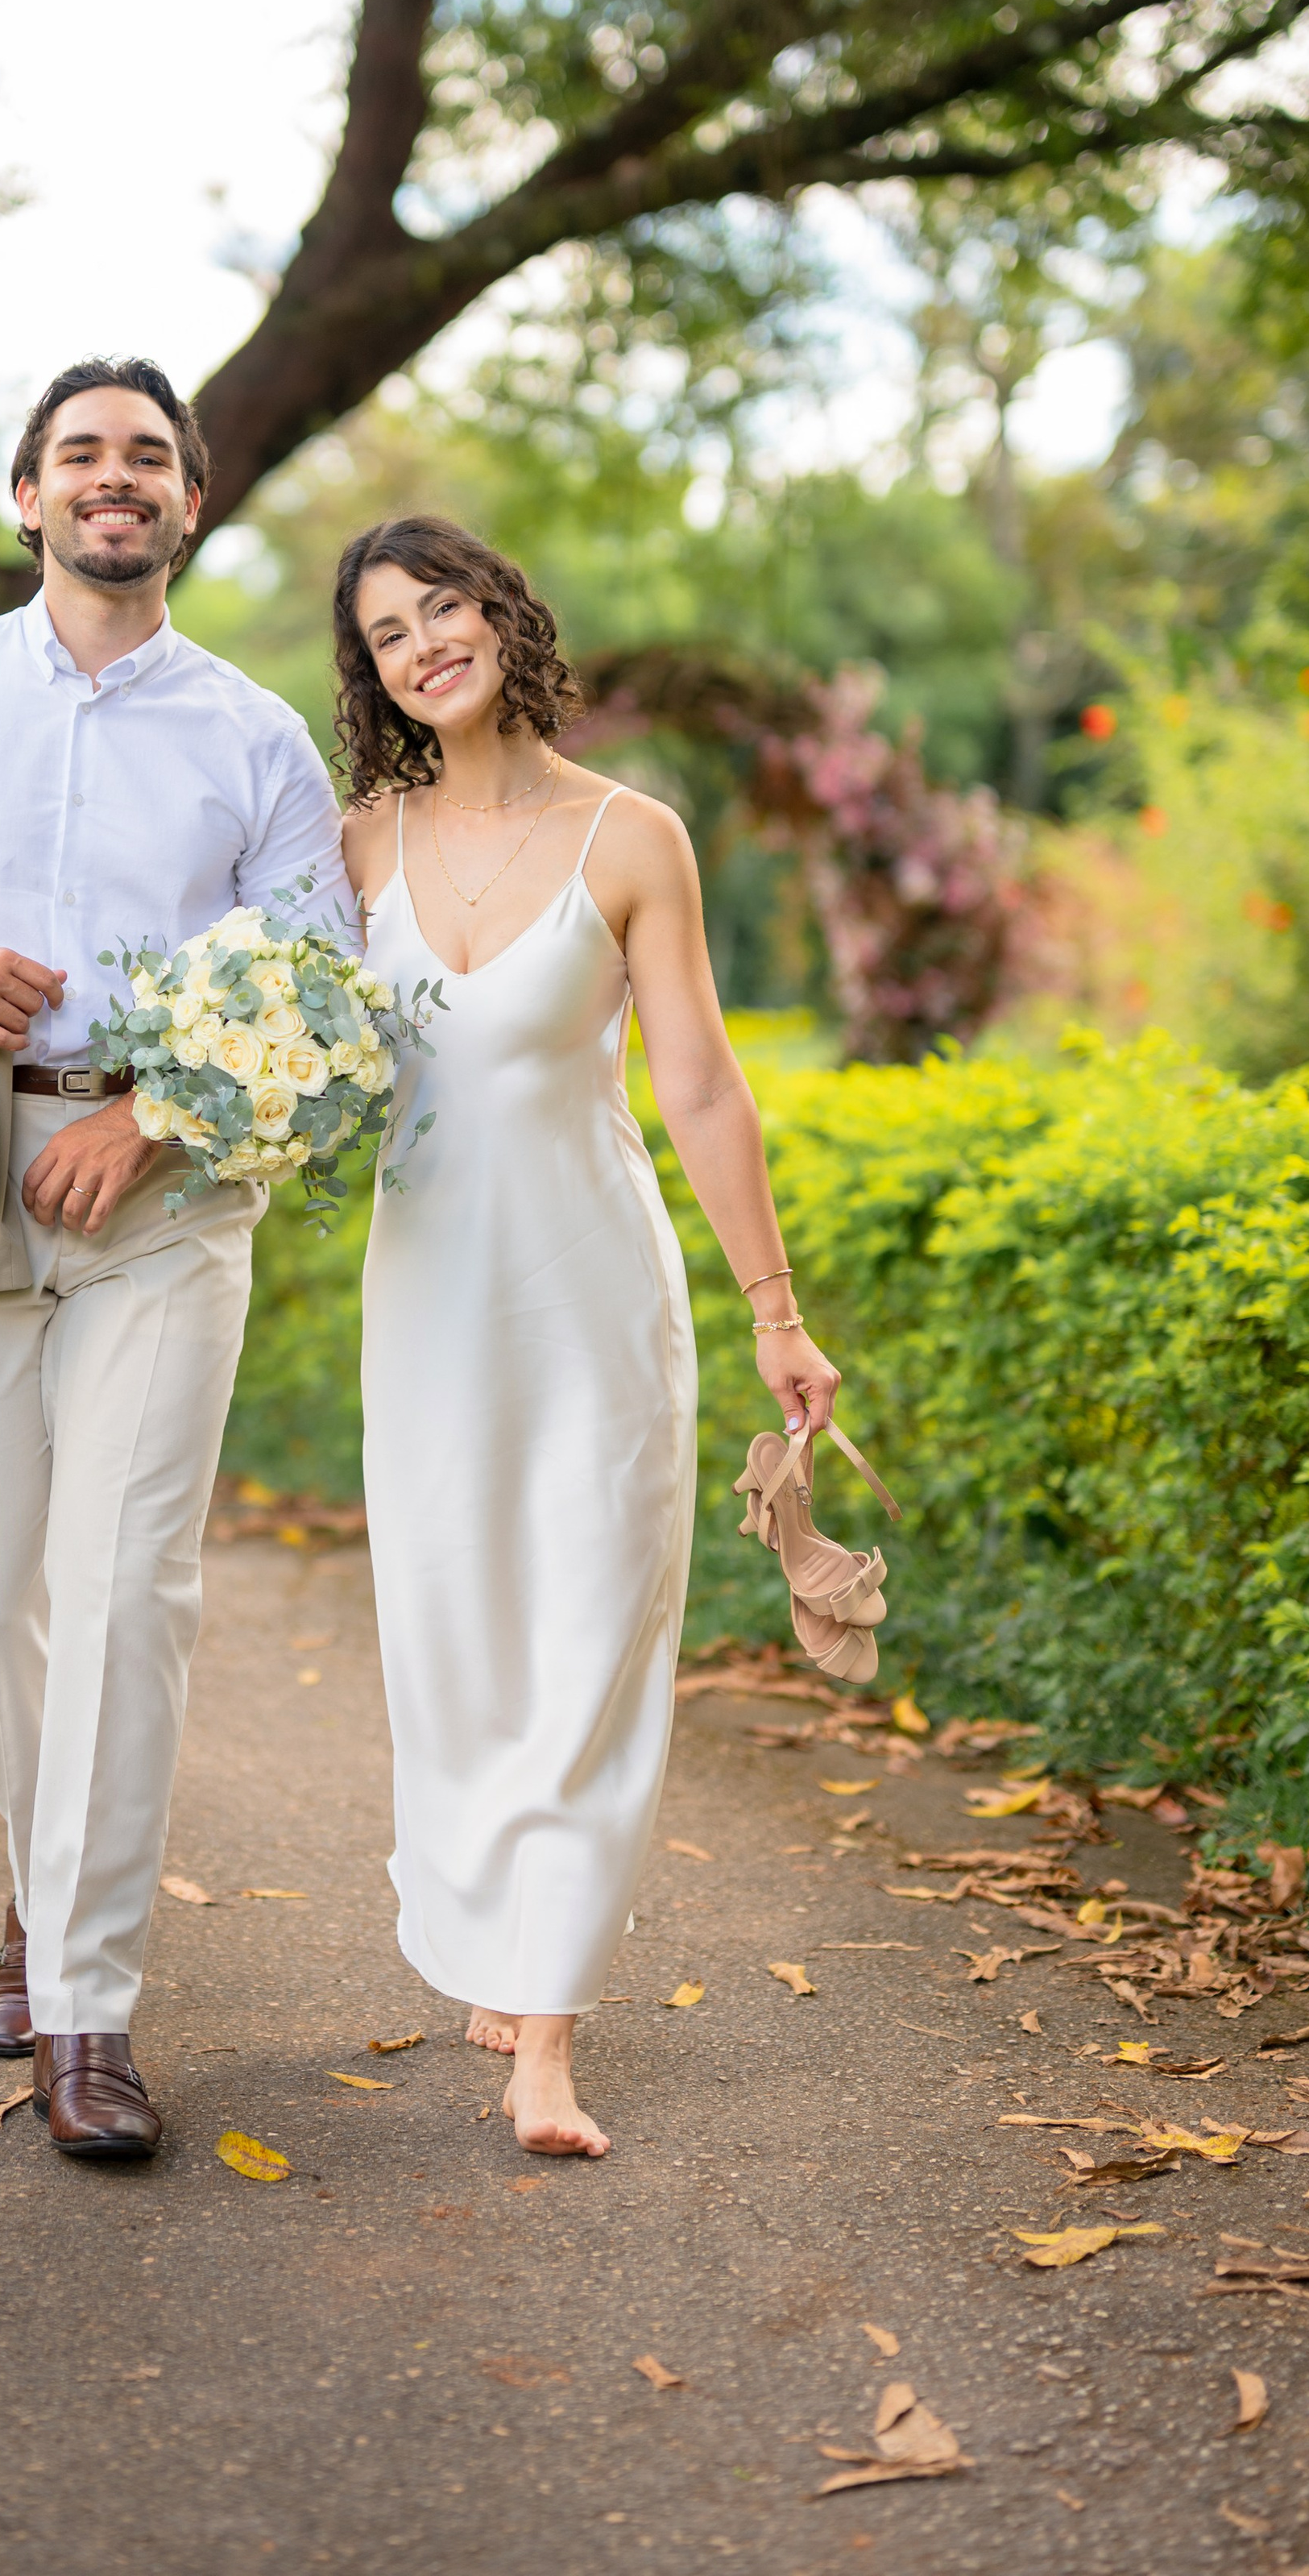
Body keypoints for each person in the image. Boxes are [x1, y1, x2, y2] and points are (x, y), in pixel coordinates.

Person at [0, 358, 352, 2159]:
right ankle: (46, 1875)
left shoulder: (254, 734)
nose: (116, 480)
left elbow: (322, 993)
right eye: (81, 454)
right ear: (28, 495)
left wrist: (154, 1121)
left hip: (163, 1201)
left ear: (190, 502)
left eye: (148, 459)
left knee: (123, 1587)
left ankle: (87, 2010)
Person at [335, 515, 843, 2159]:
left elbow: (696, 1081)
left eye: (442, 607)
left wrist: (774, 1311)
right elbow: (282, 1058)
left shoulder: (631, 836)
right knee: (449, 1624)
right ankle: (494, 1920)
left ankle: (541, 2029)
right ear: (376, 676)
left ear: (499, 615)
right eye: (387, 632)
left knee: (584, 1618)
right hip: (423, 1300)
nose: (424, 644)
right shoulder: (352, 851)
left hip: (588, 1294)